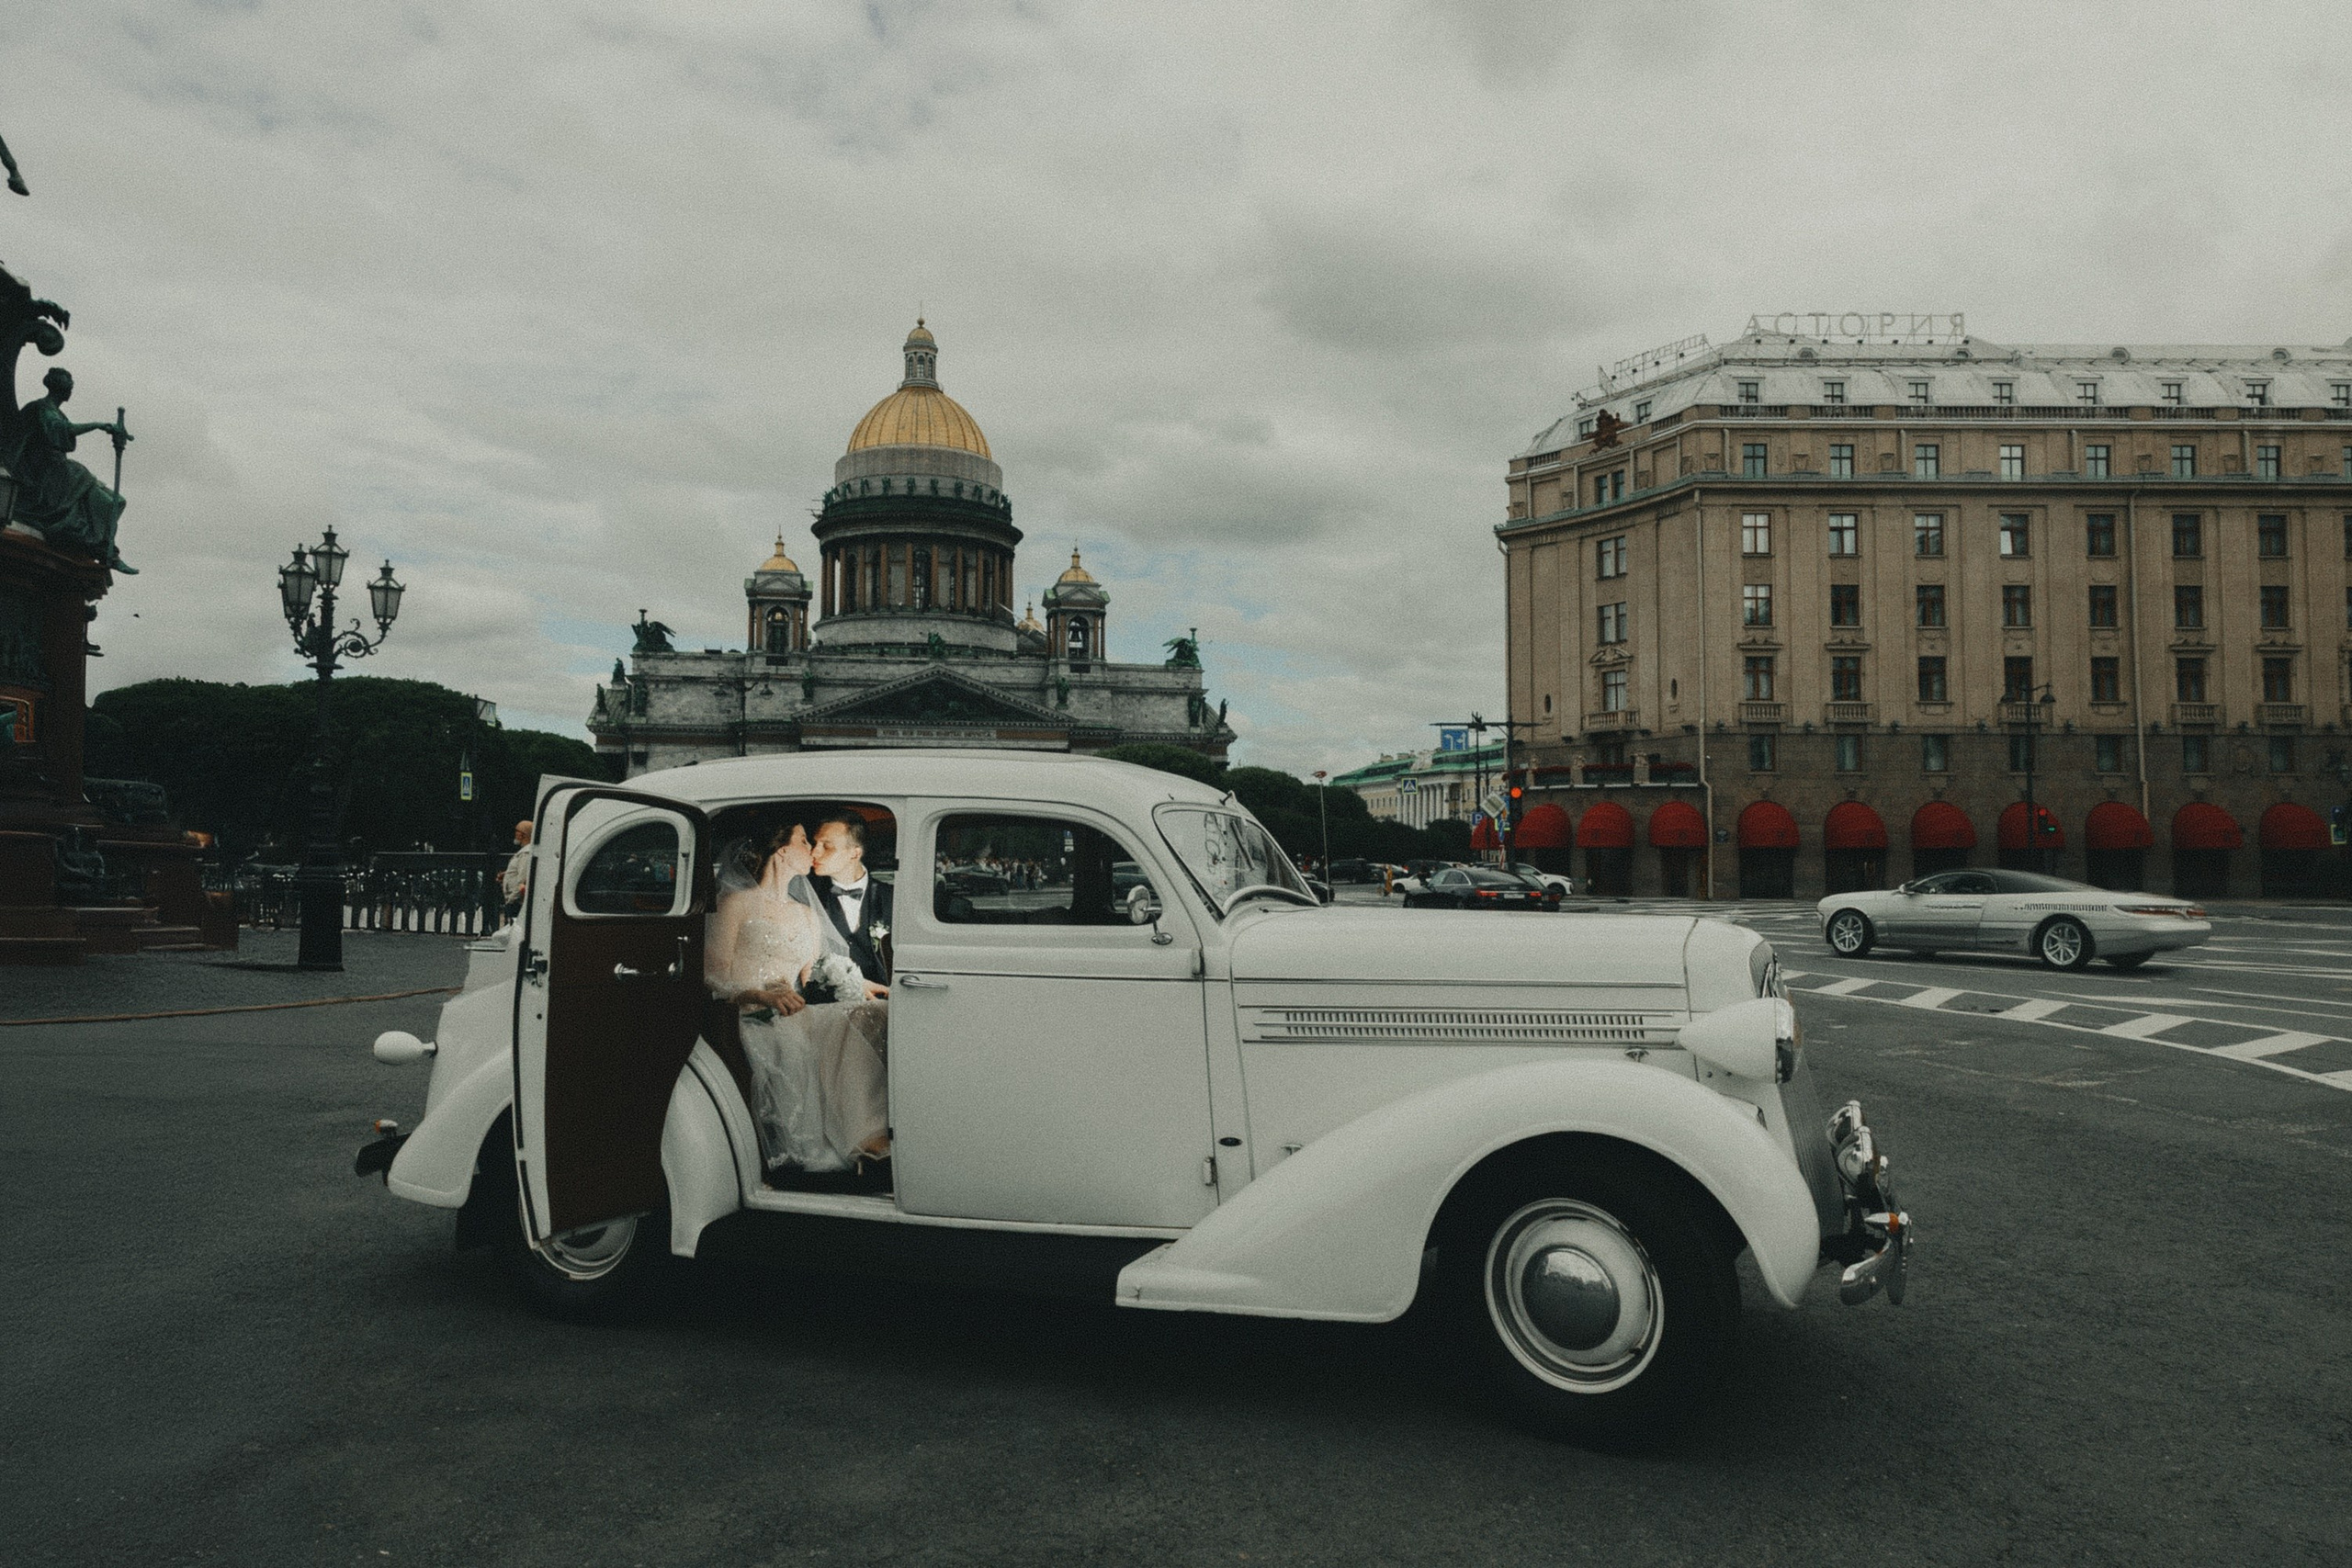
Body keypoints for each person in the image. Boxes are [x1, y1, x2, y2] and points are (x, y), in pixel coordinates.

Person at [706, 824, 889, 1174]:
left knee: (875, 1011)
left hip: (795, 1012)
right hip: (751, 1014)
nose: (812, 850)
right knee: (832, 1029)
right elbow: (712, 976)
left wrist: (860, 983)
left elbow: (815, 974)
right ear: (782, 849)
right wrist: (761, 995)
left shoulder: (806, 913)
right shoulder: (735, 903)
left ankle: (871, 1138)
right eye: (804, 840)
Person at [807, 812, 892, 987]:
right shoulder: (808, 896)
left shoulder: (893, 897)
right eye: (815, 843)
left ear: (854, 854)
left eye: (826, 846)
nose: (814, 852)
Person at [498, 820, 533, 917]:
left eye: (517, 832)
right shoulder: (523, 852)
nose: (515, 834)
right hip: (515, 900)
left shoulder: (526, 853)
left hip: (516, 902)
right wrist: (506, 875)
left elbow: (522, 878)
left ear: (523, 835)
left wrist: (512, 899)